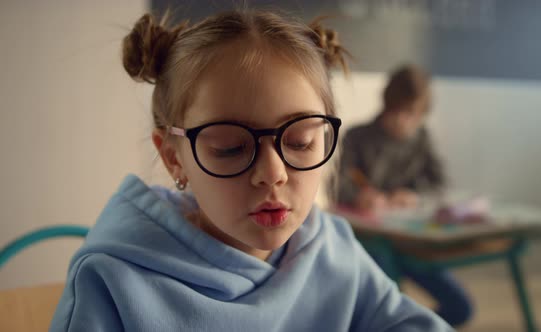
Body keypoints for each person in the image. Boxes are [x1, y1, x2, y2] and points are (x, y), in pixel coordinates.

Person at [49, 10, 452, 332]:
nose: (272, 173)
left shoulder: (330, 245)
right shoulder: (112, 283)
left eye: (299, 142)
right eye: (230, 147)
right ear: (174, 158)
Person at [334, 64, 473, 327]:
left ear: (421, 114)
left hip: (410, 243)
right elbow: (338, 184)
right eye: (396, 111)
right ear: (386, 105)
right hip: (370, 243)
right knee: (384, 305)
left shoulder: (421, 139)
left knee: (461, 307)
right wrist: (359, 197)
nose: (401, 120)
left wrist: (413, 196)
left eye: (410, 113)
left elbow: (441, 185)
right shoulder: (357, 136)